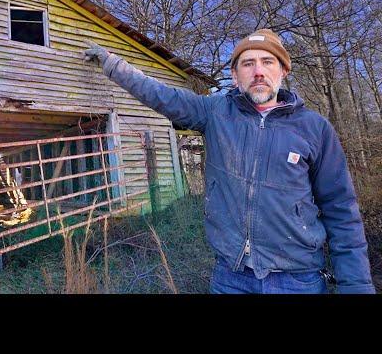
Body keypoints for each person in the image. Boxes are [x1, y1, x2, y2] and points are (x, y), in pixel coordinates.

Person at [83, 28, 375, 294]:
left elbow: (341, 211)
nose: (258, 71)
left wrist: (357, 285)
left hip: (297, 279)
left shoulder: (315, 128)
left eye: (267, 62)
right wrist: (113, 64)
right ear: (235, 76)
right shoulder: (216, 112)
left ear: (283, 71)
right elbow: (161, 95)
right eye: (248, 64)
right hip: (231, 276)